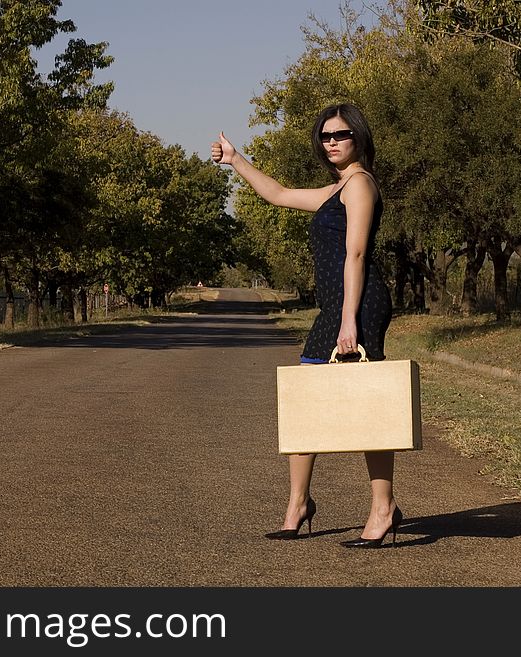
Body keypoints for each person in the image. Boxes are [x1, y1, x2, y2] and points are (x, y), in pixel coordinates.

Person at [211, 103, 400, 548]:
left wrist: (349, 321)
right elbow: (276, 194)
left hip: (358, 304)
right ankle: (298, 503)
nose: (331, 142)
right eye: (325, 136)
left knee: (368, 406)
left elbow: (355, 255)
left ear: (359, 138)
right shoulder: (338, 189)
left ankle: (382, 509)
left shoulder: (360, 187)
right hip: (335, 306)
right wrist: (236, 160)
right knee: (305, 402)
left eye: (340, 135)